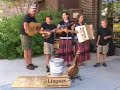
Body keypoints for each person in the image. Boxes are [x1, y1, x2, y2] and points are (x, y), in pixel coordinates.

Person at [20, 6, 38, 70]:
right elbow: (25, 25)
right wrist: (27, 31)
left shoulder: (33, 17)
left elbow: (35, 25)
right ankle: (27, 65)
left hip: (30, 35)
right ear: (29, 11)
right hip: (24, 35)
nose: (34, 11)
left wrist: (36, 30)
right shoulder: (27, 16)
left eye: (35, 10)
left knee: (30, 49)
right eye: (33, 10)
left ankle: (30, 63)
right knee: (26, 50)